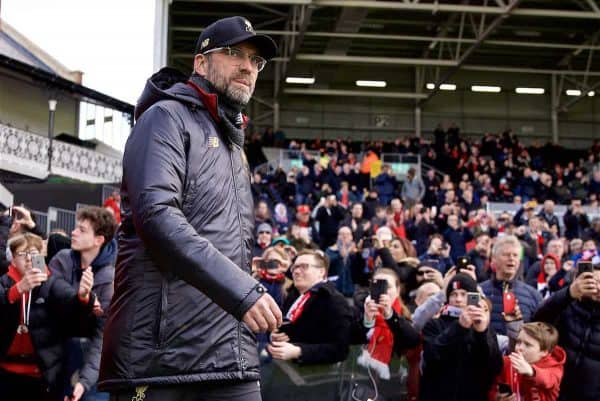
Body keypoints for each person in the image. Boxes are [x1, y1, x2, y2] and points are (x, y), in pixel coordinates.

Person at [98, 16, 282, 401]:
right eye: (234, 53)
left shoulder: (234, 145)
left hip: (231, 352)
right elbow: (157, 216)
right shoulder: (164, 118)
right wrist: (242, 292)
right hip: (163, 357)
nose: (247, 67)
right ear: (201, 63)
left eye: (255, 61)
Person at [0, 233, 96, 401]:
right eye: (23, 254)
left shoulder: (50, 281)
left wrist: (83, 296)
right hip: (5, 370)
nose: (29, 259)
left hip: (41, 372)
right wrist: (17, 290)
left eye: (34, 253)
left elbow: (69, 302)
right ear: (13, 260)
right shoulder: (5, 281)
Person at [49, 207, 117, 401]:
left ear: (99, 240)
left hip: (92, 364)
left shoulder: (109, 278)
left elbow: (102, 336)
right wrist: (82, 299)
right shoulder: (62, 260)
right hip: (57, 357)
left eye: (82, 230)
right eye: (76, 228)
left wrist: (85, 381)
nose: (73, 232)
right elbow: (51, 290)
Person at [420, 273, 502, 401]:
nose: (458, 299)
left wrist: (481, 333)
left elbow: (494, 367)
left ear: (474, 297)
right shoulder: (434, 324)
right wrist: (459, 327)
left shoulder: (485, 327)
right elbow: (431, 357)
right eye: (453, 294)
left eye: (464, 294)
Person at [268, 250, 352, 365]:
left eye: (304, 267)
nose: (296, 271)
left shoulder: (333, 300)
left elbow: (340, 350)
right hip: (285, 368)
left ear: (321, 271)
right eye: (295, 267)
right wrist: (275, 335)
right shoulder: (293, 296)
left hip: (316, 376)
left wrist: (299, 351)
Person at [533, 267, 600, 401]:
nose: (597, 287)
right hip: (555, 389)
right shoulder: (566, 305)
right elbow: (539, 322)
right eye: (593, 281)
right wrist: (568, 293)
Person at [359, 268, 420, 379]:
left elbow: (413, 339)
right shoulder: (360, 311)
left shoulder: (405, 316)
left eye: (388, 287)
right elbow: (351, 338)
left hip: (396, 379)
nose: (383, 291)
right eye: (378, 286)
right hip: (363, 378)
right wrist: (367, 319)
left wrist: (389, 315)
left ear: (397, 291)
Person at [480, 235, 542, 336]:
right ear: (494, 259)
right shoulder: (480, 291)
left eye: (515, 255)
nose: (511, 258)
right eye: (506, 255)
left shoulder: (533, 295)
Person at [493, 322, 565, 401]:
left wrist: (532, 372)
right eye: (518, 342)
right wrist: (497, 397)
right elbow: (492, 387)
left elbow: (549, 380)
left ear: (544, 351)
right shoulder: (507, 362)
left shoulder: (554, 367)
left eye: (527, 345)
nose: (519, 348)